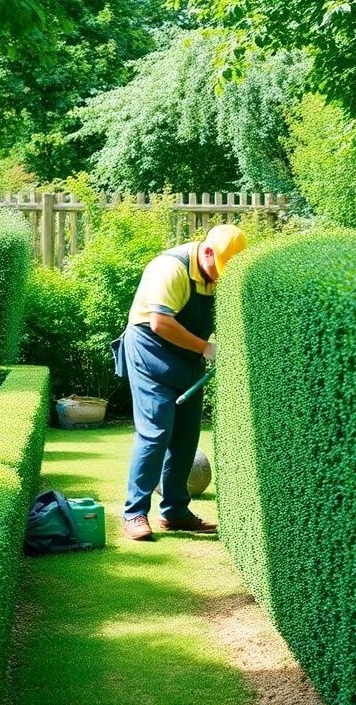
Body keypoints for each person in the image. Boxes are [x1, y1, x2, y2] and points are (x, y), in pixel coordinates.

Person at [110, 224, 248, 541]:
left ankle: (175, 512)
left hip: (188, 357)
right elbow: (160, 323)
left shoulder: (218, 274)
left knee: (186, 436)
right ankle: (134, 514)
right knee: (156, 431)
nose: (221, 276)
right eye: (221, 267)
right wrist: (204, 347)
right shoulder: (170, 268)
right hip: (150, 350)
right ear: (208, 251)